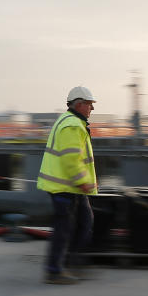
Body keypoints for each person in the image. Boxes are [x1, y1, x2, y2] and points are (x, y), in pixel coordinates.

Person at [37, 86, 98, 284]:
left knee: (83, 223)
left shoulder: (72, 122)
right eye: (89, 105)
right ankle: (54, 271)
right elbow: (71, 159)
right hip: (66, 187)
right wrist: (83, 181)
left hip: (71, 187)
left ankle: (68, 262)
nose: (91, 109)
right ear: (79, 104)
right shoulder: (72, 125)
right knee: (65, 229)